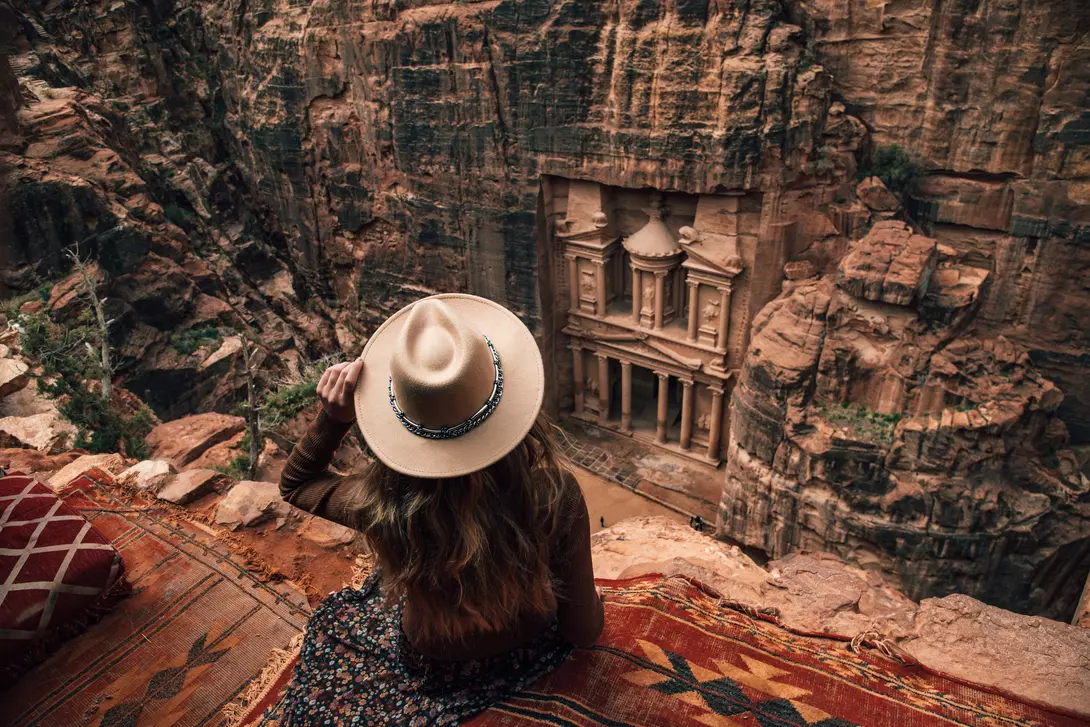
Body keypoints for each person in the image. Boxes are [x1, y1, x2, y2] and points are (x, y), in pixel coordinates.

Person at [277, 294, 604, 726]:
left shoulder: (383, 507)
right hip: (531, 654)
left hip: (431, 663)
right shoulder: (554, 497)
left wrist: (334, 418)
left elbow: (296, 484)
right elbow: (583, 631)